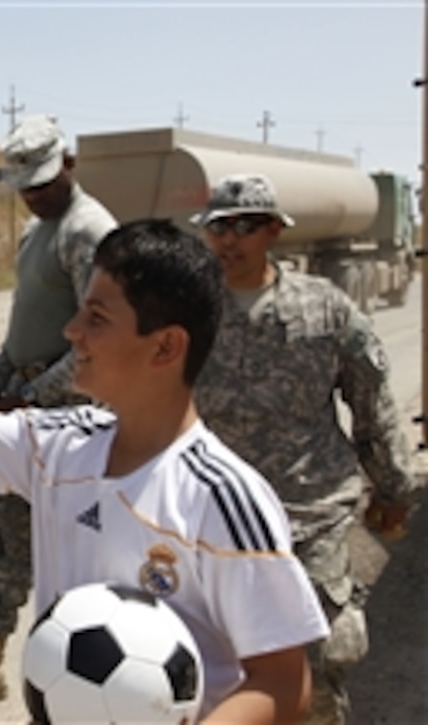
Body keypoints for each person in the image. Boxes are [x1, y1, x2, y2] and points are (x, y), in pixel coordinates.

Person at [0, 215, 331, 722]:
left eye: (97, 318)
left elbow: (284, 685)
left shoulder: (221, 497)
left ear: (166, 346)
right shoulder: (59, 446)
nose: (72, 330)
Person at [189, 174, 423, 724]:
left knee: (317, 672)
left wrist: (394, 488)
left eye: (244, 226)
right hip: (215, 522)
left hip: (310, 518)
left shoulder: (324, 309)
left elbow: (372, 405)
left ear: (273, 230)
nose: (229, 240)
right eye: (218, 228)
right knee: (218, 671)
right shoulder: (192, 311)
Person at [0, 112, 117, 709]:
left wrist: (33, 398)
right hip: (24, 407)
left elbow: (99, 341)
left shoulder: (86, 231)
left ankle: (84, 680)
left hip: (67, 418)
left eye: (43, 182)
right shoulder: (40, 230)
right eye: (25, 187)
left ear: (70, 163)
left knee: (73, 552)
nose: (35, 195)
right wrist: (0, 384)